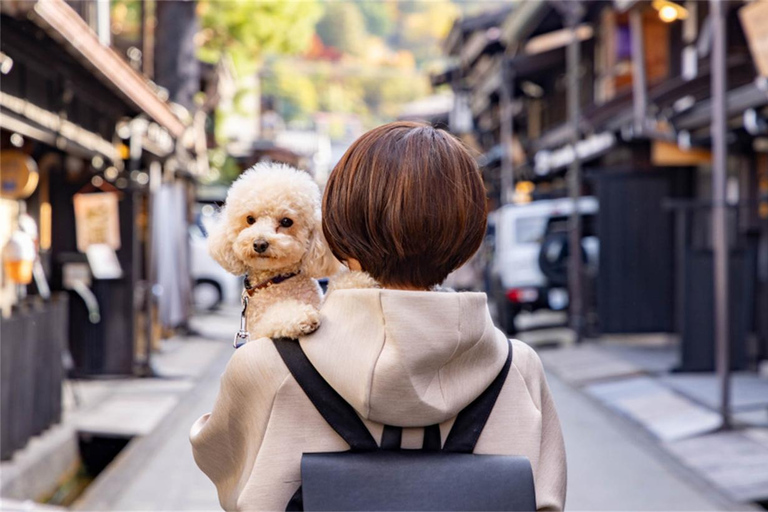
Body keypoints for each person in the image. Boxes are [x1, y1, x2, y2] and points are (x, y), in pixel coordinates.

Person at [190, 121, 567, 511]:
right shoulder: (520, 369)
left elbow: (222, 461)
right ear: (467, 237)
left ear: (336, 232)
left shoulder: (265, 364)